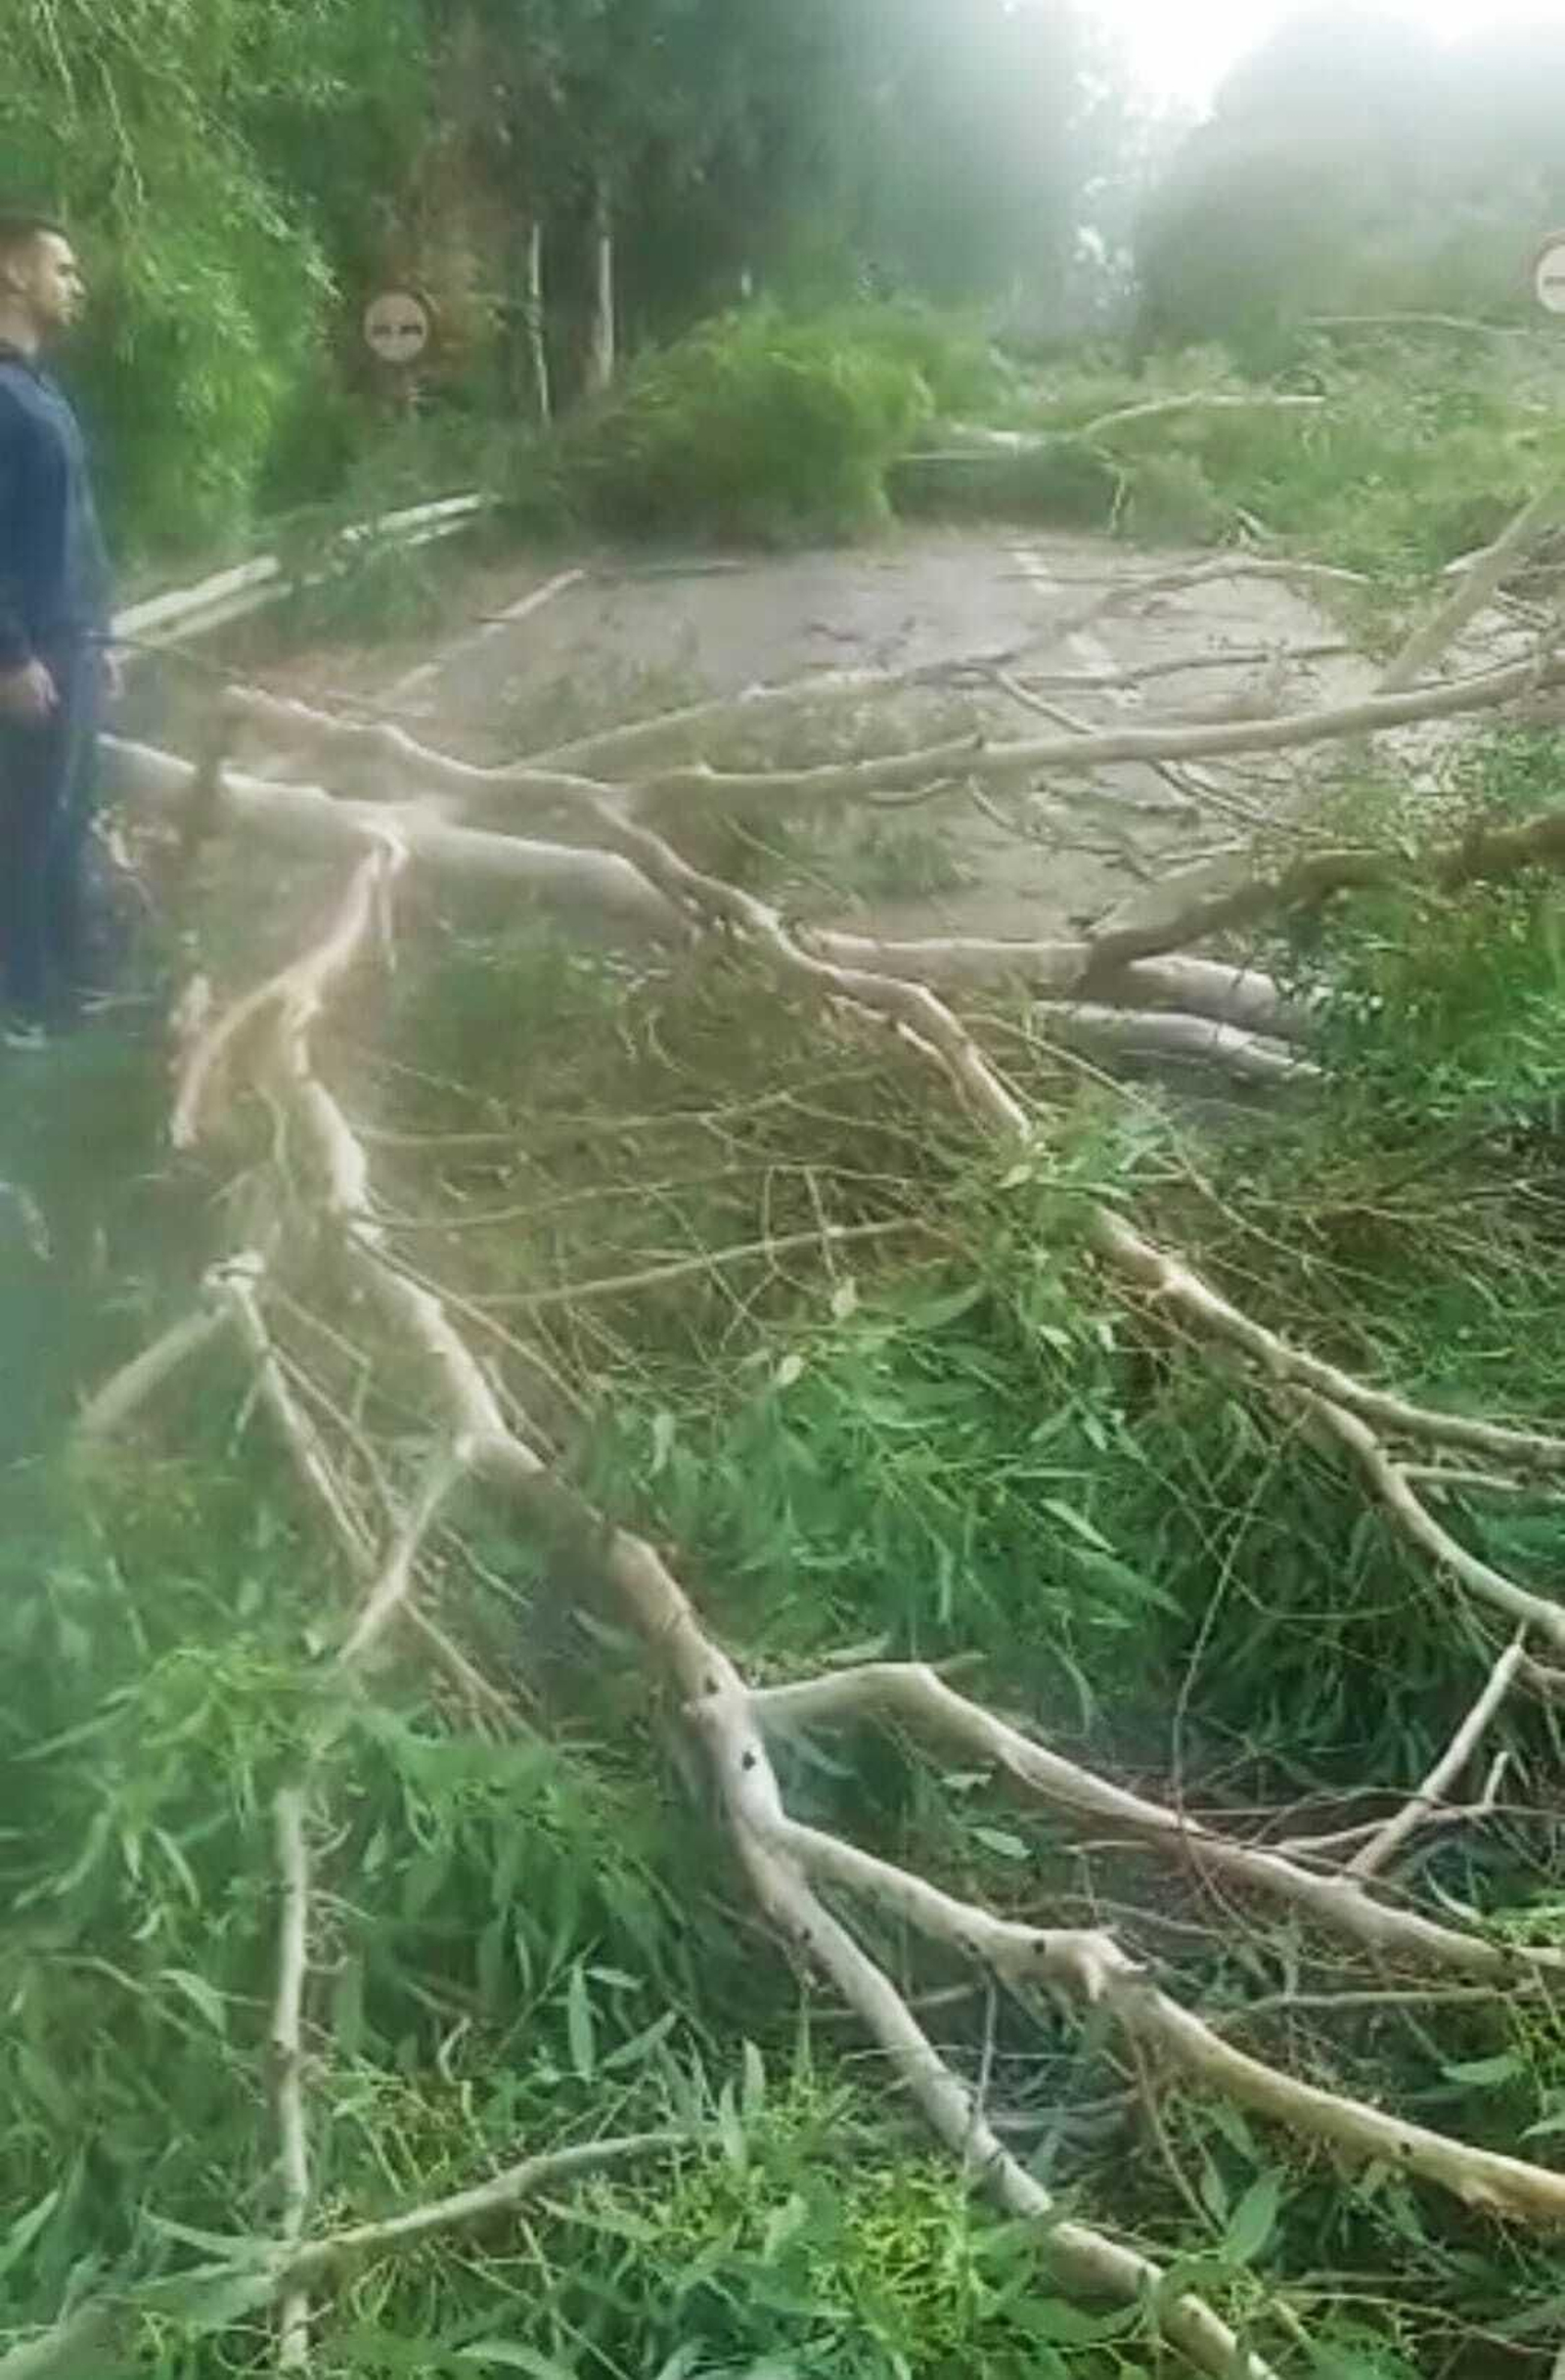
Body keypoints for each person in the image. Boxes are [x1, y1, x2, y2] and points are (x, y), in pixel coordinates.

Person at [0, 210, 115, 1048]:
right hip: (28, 659)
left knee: (66, 822)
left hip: (71, 646)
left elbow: (70, 530)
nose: (76, 285)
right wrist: (9, 655)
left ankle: (64, 989)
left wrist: (100, 642)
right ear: (12, 274)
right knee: (21, 837)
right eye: (62, 270)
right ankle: (18, 1005)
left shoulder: (39, 389)